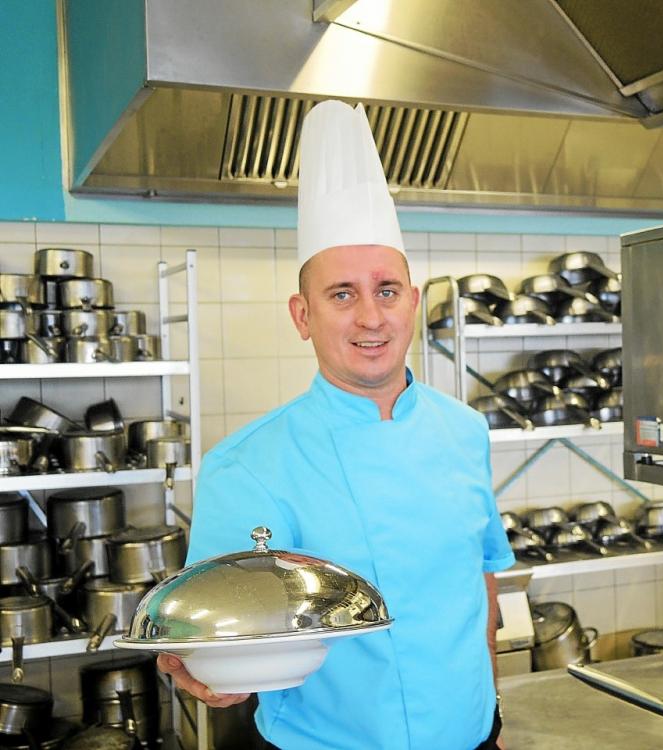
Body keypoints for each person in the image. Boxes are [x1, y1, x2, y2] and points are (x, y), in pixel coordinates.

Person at [158, 100, 514, 750]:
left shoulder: (466, 431)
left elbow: (480, 581)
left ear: (412, 301)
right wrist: (201, 670)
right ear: (302, 315)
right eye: (342, 294)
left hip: (473, 736)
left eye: (386, 290)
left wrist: (489, 710)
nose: (370, 318)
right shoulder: (244, 465)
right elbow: (210, 637)